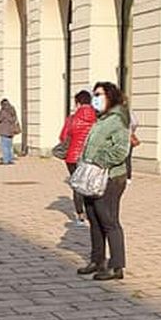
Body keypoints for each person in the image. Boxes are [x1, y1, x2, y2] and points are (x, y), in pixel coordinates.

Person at [76, 81, 131, 281]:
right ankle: (97, 260)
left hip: (110, 177)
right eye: (94, 95)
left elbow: (120, 150)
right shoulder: (102, 119)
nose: (95, 99)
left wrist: (98, 160)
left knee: (109, 221)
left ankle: (116, 266)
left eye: (99, 95)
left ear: (110, 96)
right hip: (92, 177)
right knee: (94, 219)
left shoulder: (117, 119)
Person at [59, 90, 97, 225]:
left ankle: (80, 215)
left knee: (77, 185)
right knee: (91, 184)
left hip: (73, 157)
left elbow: (63, 137)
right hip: (91, 156)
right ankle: (93, 214)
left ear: (78, 103)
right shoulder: (97, 118)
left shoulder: (72, 119)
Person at [0, 98, 19, 165]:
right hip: (11, 130)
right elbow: (15, 118)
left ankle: (6, 160)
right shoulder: (12, 109)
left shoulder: (3, 110)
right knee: (9, 145)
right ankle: (10, 158)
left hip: (4, 130)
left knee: (4, 146)